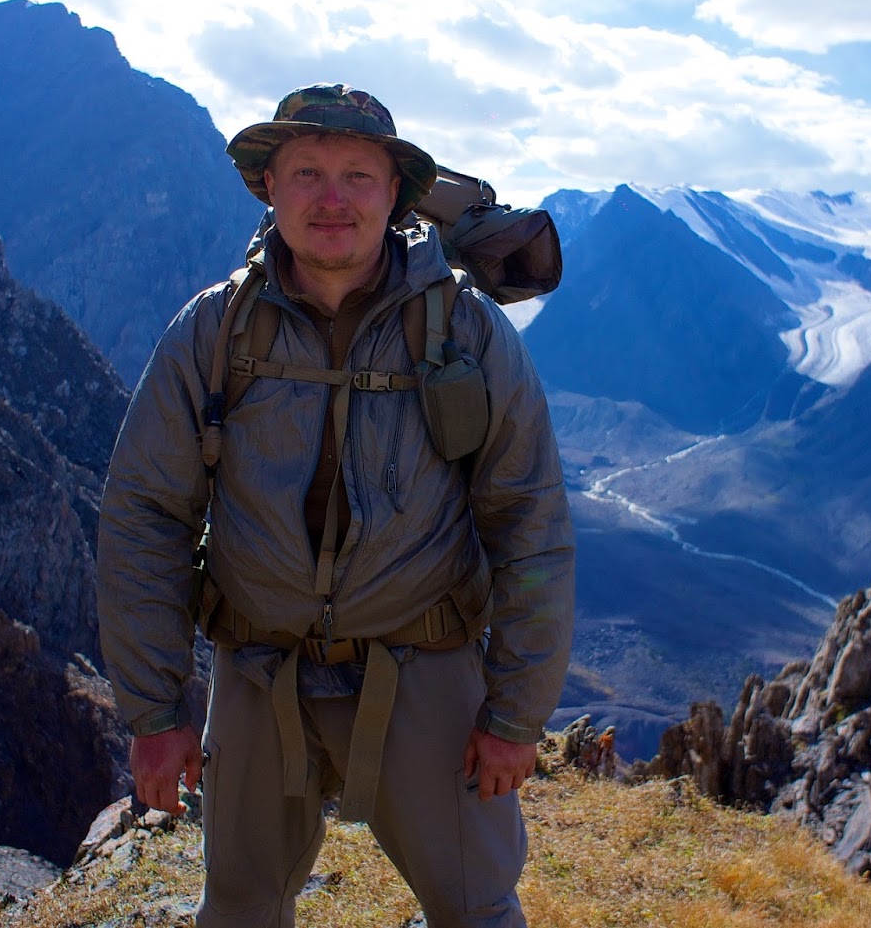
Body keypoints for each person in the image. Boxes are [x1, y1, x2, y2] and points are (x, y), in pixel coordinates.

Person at [95, 83, 575, 928]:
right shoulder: (213, 332)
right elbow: (145, 518)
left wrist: (514, 715)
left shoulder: (466, 332)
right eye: (307, 172)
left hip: (423, 663)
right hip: (257, 671)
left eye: (358, 175)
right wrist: (155, 710)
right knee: (239, 910)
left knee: (476, 909)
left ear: (396, 195)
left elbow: (529, 523)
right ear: (268, 186)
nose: (332, 198)